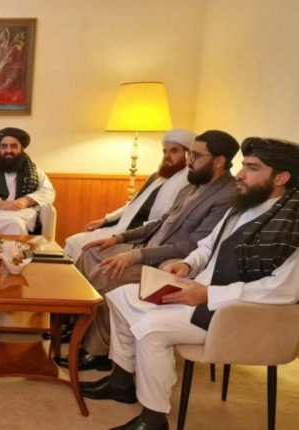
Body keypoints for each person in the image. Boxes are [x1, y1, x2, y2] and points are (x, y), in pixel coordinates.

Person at [83, 137, 299, 430]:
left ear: (281, 177)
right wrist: (186, 265)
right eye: (244, 165)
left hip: (239, 314)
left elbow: (282, 291)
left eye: (252, 168)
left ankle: (153, 419)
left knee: (151, 329)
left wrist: (209, 294)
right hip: (200, 292)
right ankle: (121, 382)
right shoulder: (242, 205)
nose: (240, 174)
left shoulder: (291, 226)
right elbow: (207, 246)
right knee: (121, 296)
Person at [57, 130, 239, 371]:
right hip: (148, 247)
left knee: (108, 275)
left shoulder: (227, 196)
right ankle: (79, 326)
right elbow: (159, 223)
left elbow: (193, 245)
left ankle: (96, 351)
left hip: (172, 263)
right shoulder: (193, 186)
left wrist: (135, 255)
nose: (189, 161)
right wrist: (118, 238)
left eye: (195, 155)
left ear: (219, 161)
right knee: (89, 254)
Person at [64, 129, 195, 261]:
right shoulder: (156, 178)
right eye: (165, 151)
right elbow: (133, 204)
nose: (167, 156)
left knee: (80, 245)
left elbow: (166, 220)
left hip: (140, 236)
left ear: (189, 154)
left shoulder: (189, 182)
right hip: (123, 229)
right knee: (74, 241)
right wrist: (105, 220)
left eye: (174, 151)